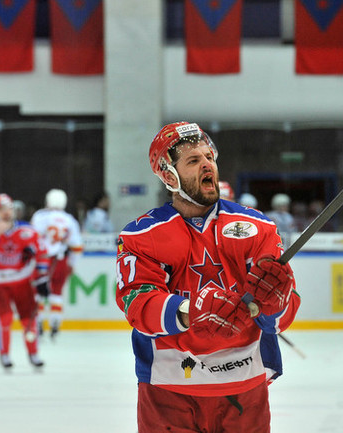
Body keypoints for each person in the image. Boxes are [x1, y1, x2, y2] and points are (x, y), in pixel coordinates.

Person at [116, 121, 300, 432]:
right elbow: (137, 303)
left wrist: (275, 304)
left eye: (209, 157)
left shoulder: (258, 227)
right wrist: (190, 312)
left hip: (243, 386)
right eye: (193, 160)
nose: (207, 165)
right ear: (169, 176)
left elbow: (281, 317)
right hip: (168, 390)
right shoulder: (142, 235)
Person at [0, 194, 49, 369]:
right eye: (1, 209)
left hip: (22, 280)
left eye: (8, 208)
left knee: (29, 319)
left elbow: (42, 253)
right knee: (4, 319)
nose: (6, 213)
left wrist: (41, 277)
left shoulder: (28, 231)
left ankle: (33, 353)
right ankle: (4, 354)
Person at [31, 189, 83, 339]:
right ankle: (55, 323)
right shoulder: (70, 220)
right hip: (60, 260)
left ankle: (38, 322)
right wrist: (72, 263)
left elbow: (31, 239)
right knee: (57, 291)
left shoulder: (39, 216)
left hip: (41, 259)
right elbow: (77, 247)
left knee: (38, 291)